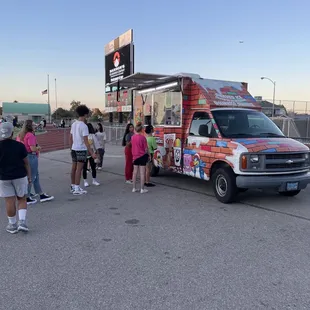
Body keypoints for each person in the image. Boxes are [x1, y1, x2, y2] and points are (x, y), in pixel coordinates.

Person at [0, 122, 31, 233]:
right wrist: (29, 176)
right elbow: (26, 162)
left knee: (9, 201)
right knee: (22, 198)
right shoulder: (19, 145)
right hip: (20, 176)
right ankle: (22, 222)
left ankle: (12, 224)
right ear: (12, 133)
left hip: (3, 177)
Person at [17, 120, 54, 205]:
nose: (35, 126)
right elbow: (33, 148)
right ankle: (27, 197)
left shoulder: (20, 135)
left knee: (34, 176)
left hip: (23, 157)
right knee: (32, 176)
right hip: (31, 156)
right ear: (30, 126)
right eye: (34, 125)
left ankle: (40, 193)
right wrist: (38, 148)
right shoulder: (30, 135)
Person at [70, 105, 96, 195]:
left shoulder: (73, 124)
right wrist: (92, 153)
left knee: (73, 168)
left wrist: (71, 147)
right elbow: (86, 140)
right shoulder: (84, 126)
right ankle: (77, 187)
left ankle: (73, 186)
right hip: (81, 149)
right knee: (79, 169)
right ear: (85, 114)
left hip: (74, 148)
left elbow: (71, 137)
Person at [131, 123, 150, 194]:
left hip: (135, 156)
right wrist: (148, 155)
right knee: (142, 173)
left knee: (135, 172)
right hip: (142, 156)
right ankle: (142, 189)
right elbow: (146, 148)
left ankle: (134, 188)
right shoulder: (143, 138)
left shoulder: (132, 137)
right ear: (142, 130)